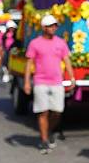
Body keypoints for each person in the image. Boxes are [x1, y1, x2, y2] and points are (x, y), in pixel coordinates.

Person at [24, 15, 75, 154]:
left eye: (55, 26)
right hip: (41, 82)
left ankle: (49, 130)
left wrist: (72, 77)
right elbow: (29, 64)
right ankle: (44, 140)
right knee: (43, 112)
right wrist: (27, 82)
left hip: (57, 82)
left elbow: (67, 60)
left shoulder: (61, 43)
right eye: (50, 26)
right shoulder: (35, 43)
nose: (53, 28)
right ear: (44, 28)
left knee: (57, 111)